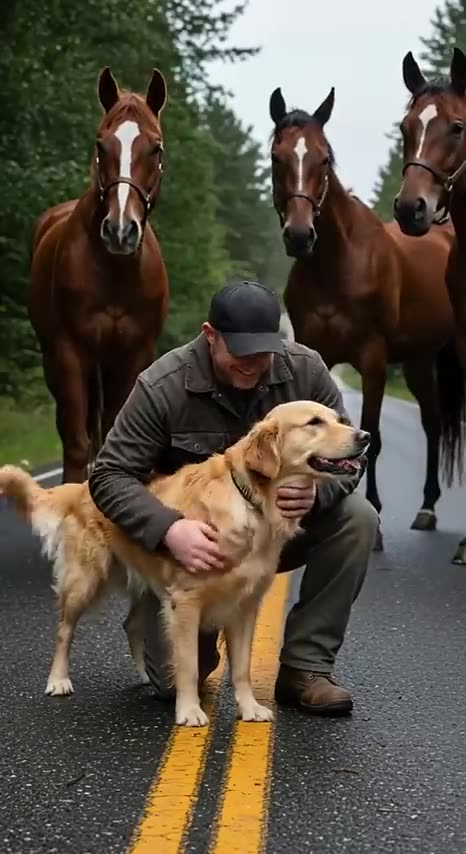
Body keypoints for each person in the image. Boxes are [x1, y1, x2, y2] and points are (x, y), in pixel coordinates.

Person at [89, 280, 378, 715]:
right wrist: (169, 529)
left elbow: (347, 459)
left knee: (358, 517)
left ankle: (306, 667)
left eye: (264, 351)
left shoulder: (305, 370)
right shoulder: (162, 385)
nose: (254, 363)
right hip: (194, 552)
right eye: (240, 351)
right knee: (171, 686)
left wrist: (316, 495)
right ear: (210, 335)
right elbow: (110, 475)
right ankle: (159, 608)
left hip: (276, 533)